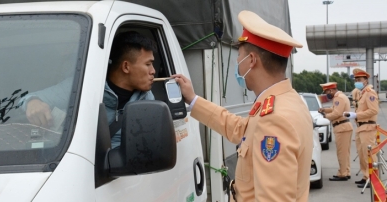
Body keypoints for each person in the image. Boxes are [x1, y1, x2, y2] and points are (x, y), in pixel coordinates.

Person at [173, 11, 313, 202]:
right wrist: (193, 99)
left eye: (239, 56)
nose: (238, 63)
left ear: (252, 60)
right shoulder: (286, 101)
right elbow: (240, 129)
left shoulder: (275, 118)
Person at [21, 31, 157, 148]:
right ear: (126, 67)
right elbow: (25, 98)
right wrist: (32, 102)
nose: (153, 71)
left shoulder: (146, 98)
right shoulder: (83, 87)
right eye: (148, 64)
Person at [343, 68, 379, 187]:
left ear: (366, 80)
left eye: (359, 79)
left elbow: (373, 110)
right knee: (362, 154)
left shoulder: (370, 92)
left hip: (368, 126)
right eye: (356, 79)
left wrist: (357, 115)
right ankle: (366, 176)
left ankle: (373, 178)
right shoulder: (361, 93)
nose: (357, 81)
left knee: (369, 154)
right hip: (360, 127)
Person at [317, 82, 353, 181]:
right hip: (343, 126)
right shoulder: (340, 96)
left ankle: (343, 174)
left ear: (331, 90)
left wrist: (326, 117)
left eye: (327, 92)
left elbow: (337, 113)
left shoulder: (338, 98)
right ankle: (346, 171)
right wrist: (324, 110)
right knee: (345, 152)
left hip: (342, 127)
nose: (326, 94)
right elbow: (334, 109)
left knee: (342, 152)